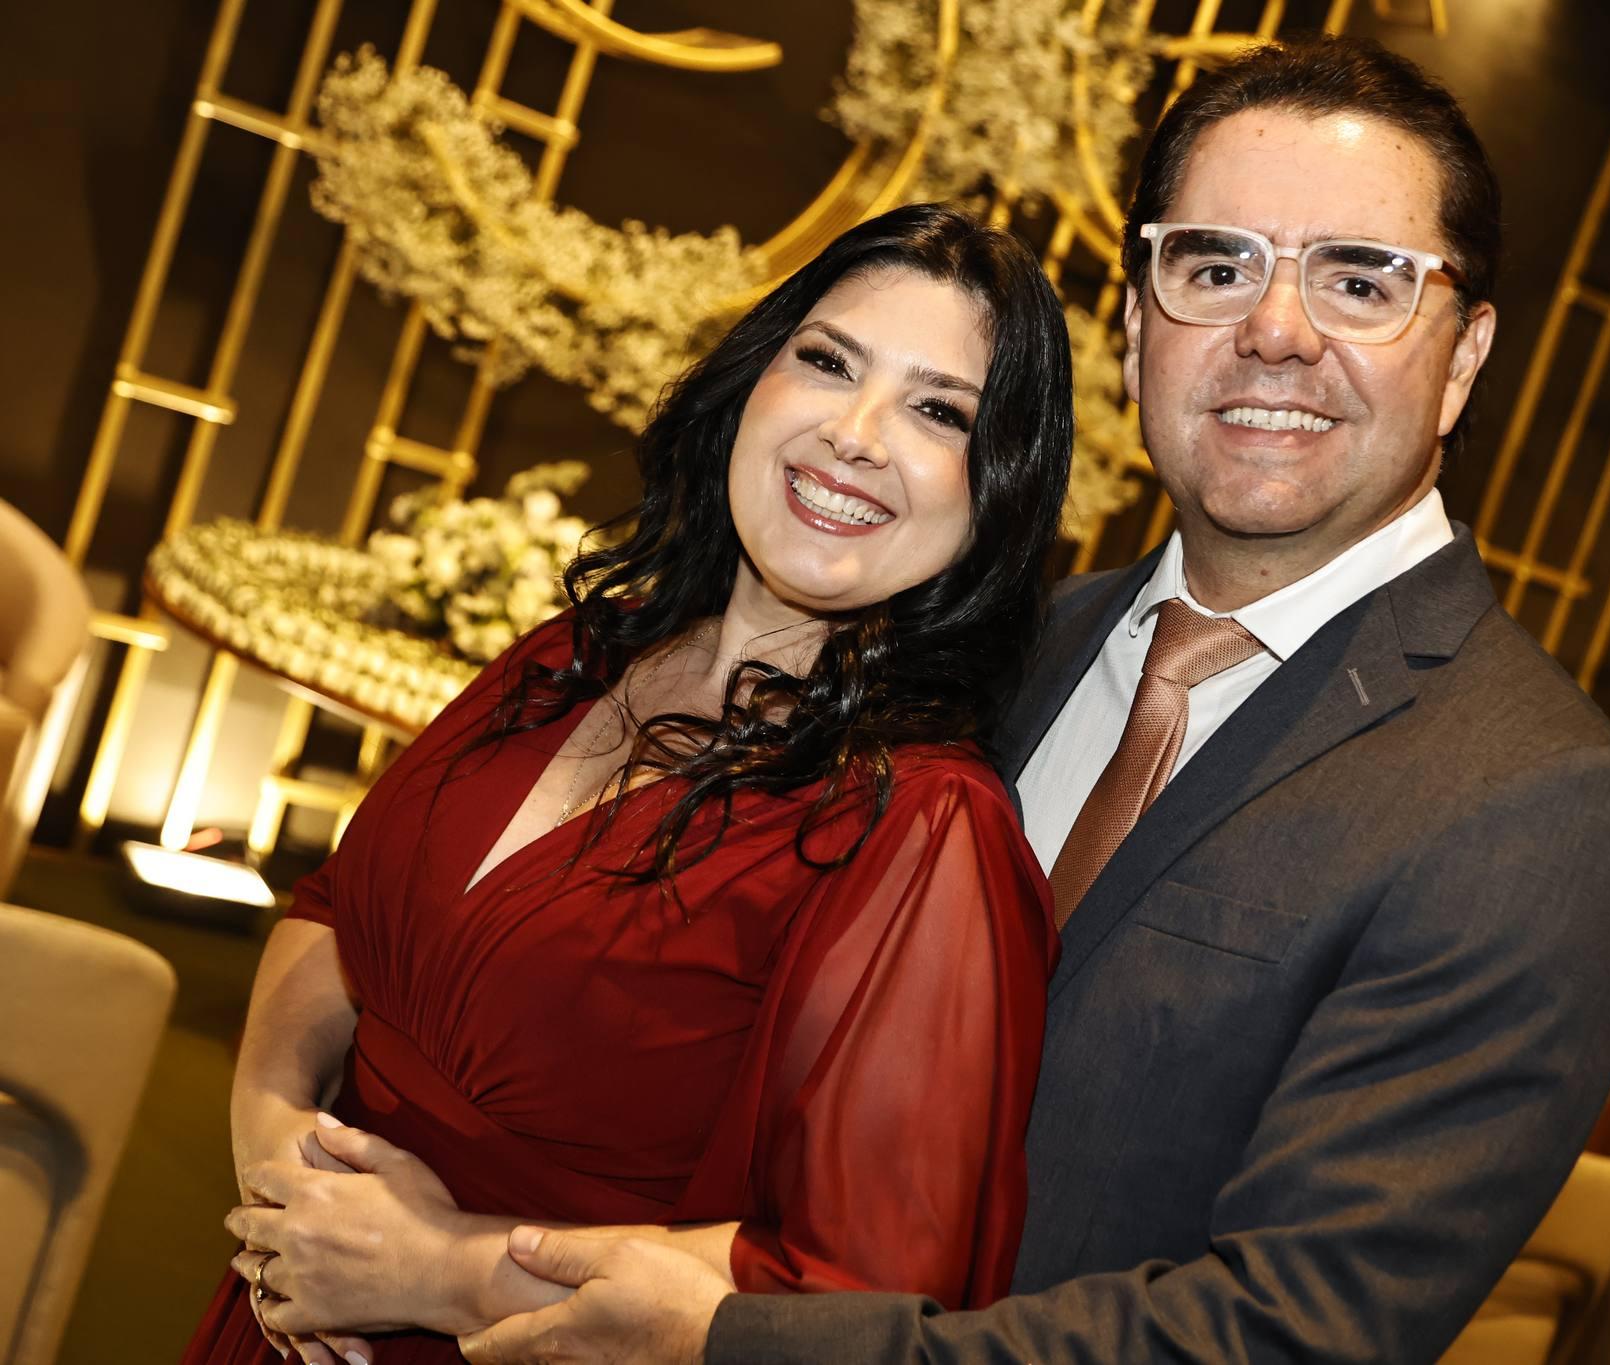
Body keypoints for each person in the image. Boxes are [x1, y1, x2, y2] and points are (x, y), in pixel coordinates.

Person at [458, 34, 1610, 1365]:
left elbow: (1294, 1331)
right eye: (1216, 266)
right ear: (1140, 328)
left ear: (1464, 355)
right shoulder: (983, 645)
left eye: (1358, 281)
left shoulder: (1538, 806)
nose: (1275, 331)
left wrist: (741, 1344)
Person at [180, 202, 1076, 1365]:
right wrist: (274, 1161)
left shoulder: (920, 829)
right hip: (281, 1300)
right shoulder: (574, 655)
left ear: (997, 491)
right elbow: (334, 910)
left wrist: (435, 1271)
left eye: (937, 411)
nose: (855, 434)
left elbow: (854, 1293)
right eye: (826, 361)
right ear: (751, 383)